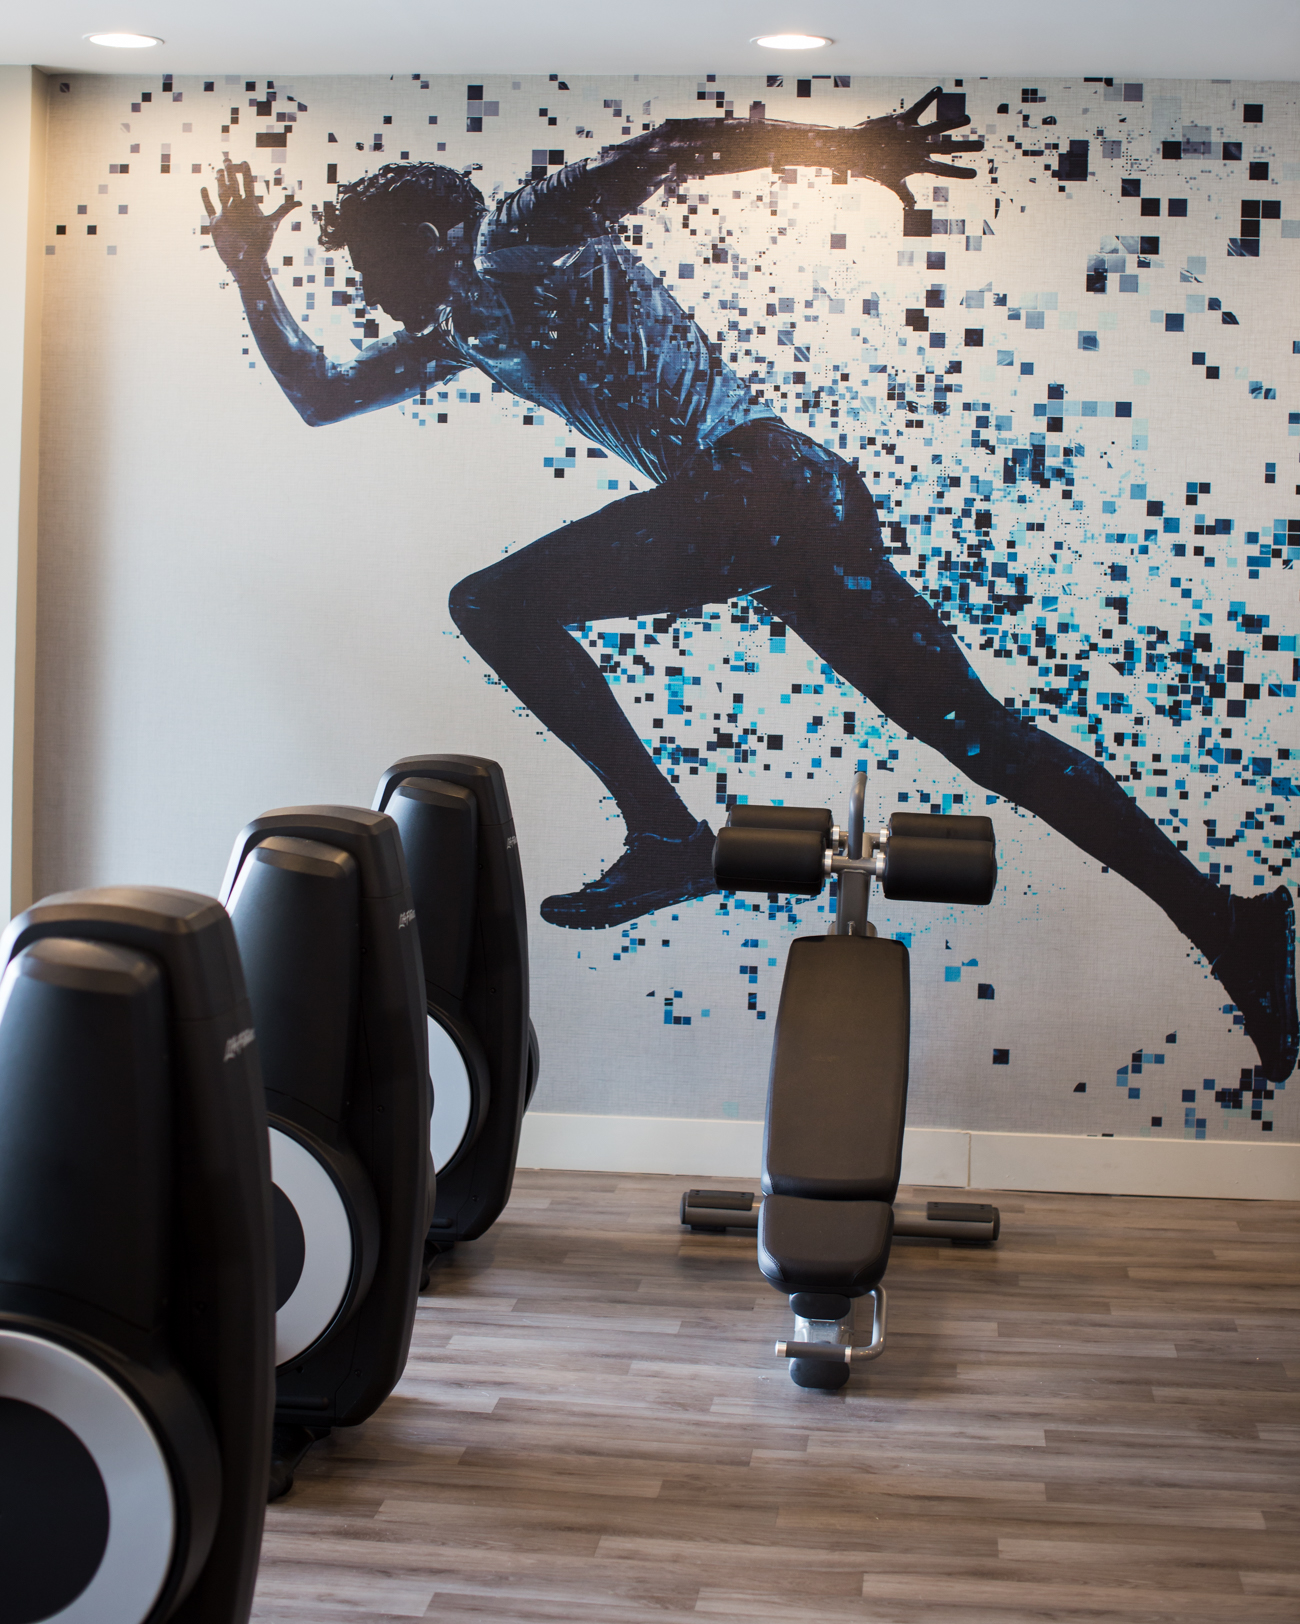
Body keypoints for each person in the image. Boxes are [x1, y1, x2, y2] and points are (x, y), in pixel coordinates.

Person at [202, 89, 1297, 1082]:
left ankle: (667, 838)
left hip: (759, 487)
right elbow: (320, 395)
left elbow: (672, 145)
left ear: (439, 236)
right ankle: (1230, 925)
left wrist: (854, 148)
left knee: (492, 603)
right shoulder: (461, 333)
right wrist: (252, 270)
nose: (362, 288)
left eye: (373, 263)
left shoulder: (517, 237)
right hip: (787, 505)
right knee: (983, 738)